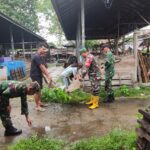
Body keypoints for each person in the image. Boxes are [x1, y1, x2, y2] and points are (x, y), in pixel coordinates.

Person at [30, 42, 51, 111]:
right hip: (35, 75)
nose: (44, 51)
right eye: (43, 49)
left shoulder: (40, 56)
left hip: (39, 75)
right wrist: (48, 75)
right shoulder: (36, 56)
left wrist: (46, 75)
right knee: (37, 90)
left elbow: (44, 66)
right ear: (39, 48)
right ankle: (37, 106)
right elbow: (42, 67)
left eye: (45, 49)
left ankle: (39, 102)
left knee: (40, 89)